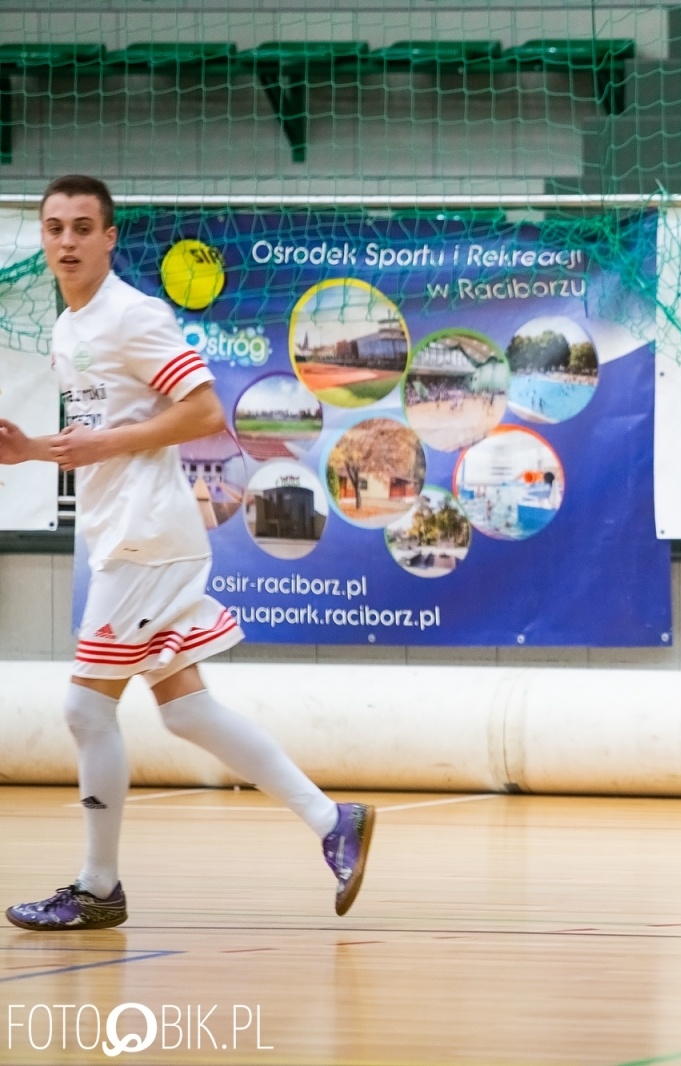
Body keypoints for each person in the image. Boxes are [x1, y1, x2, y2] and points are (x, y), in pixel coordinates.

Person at [0, 175, 375, 931]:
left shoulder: (132, 315)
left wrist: (102, 442)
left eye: (81, 227)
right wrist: (34, 450)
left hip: (146, 538)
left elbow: (202, 411)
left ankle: (98, 888)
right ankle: (332, 820)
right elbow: (107, 438)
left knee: (82, 709)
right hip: (124, 533)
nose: (66, 241)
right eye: (53, 228)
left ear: (110, 238)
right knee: (187, 710)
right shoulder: (70, 329)